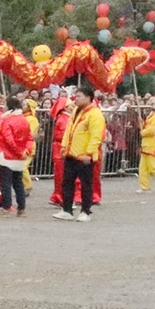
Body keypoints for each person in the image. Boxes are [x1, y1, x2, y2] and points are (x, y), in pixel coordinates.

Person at [53, 85, 105, 223]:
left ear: (88, 97)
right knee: (67, 183)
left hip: (84, 156)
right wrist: (64, 147)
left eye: (79, 96)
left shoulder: (95, 114)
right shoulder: (76, 111)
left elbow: (96, 136)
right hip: (71, 154)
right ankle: (67, 210)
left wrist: (89, 153)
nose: (75, 99)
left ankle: (85, 211)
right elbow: (69, 130)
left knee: (86, 185)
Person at [0, 96, 34, 215]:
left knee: (5, 183)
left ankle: (6, 206)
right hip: (20, 157)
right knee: (18, 182)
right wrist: (25, 151)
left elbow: (8, 139)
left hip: (7, 156)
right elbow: (29, 138)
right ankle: (21, 206)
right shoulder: (24, 120)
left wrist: (17, 150)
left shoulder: (7, 120)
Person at [48, 95, 71, 206]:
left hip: (60, 149)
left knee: (60, 175)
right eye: (70, 105)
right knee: (62, 175)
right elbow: (62, 135)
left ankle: (57, 196)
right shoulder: (64, 119)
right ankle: (61, 197)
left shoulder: (64, 118)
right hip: (61, 149)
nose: (73, 107)